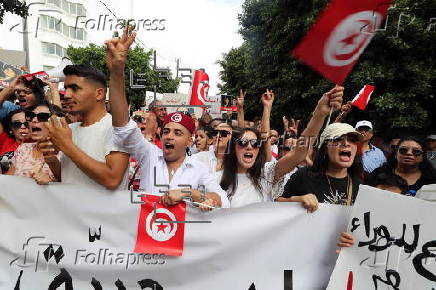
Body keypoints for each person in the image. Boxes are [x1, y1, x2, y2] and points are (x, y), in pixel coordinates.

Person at [106, 27, 229, 209]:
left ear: (189, 141)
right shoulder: (149, 155)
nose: (169, 136)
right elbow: (123, 127)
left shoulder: (199, 168)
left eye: (177, 133)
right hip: (144, 235)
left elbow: (223, 202)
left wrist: (190, 194)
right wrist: (117, 71)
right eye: (166, 131)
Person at [219, 86, 344, 208]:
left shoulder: (266, 175)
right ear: (233, 149)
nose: (250, 147)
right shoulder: (215, 180)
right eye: (243, 142)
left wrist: (319, 114)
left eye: (255, 143)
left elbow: (298, 154)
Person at [38, 64, 130, 190]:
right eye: (66, 89)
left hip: (104, 210)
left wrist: (66, 145)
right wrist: (52, 161)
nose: (67, 95)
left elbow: (112, 180)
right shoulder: (71, 129)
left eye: (74, 88)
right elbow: (69, 180)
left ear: (99, 93)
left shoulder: (117, 128)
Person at [278, 122, 364, 212]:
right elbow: (275, 205)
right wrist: (295, 200)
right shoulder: (304, 176)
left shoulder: (360, 185)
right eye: (337, 139)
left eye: (352, 140)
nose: (346, 143)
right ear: (325, 148)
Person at [5, 102, 61, 184]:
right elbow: (8, 180)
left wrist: (52, 183)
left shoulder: (65, 154)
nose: (34, 120)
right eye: (31, 116)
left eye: (42, 117)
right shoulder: (23, 148)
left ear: (56, 123)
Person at [368, 136, 436, 195]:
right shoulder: (378, 174)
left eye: (416, 151)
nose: (409, 153)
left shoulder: (432, 179)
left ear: (422, 157)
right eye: (403, 150)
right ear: (395, 154)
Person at [0, 108, 30, 173]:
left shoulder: (40, 144)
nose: (23, 127)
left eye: (27, 123)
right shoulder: (5, 139)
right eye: (17, 124)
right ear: (11, 128)